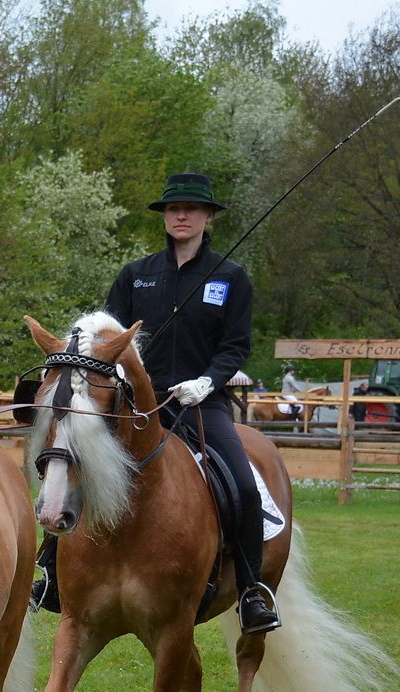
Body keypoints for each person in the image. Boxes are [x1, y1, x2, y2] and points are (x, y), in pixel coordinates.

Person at [104, 173, 276, 634]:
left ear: (209, 217)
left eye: (193, 209)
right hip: (139, 407)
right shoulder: (135, 276)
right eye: (174, 208)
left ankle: (252, 593)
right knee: (78, 465)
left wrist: (208, 380)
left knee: (241, 487)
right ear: (164, 215)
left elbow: (236, 345)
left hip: (202, 405)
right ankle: (52, 572)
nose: (182, 215)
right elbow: (110, 338)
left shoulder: (231, 277)